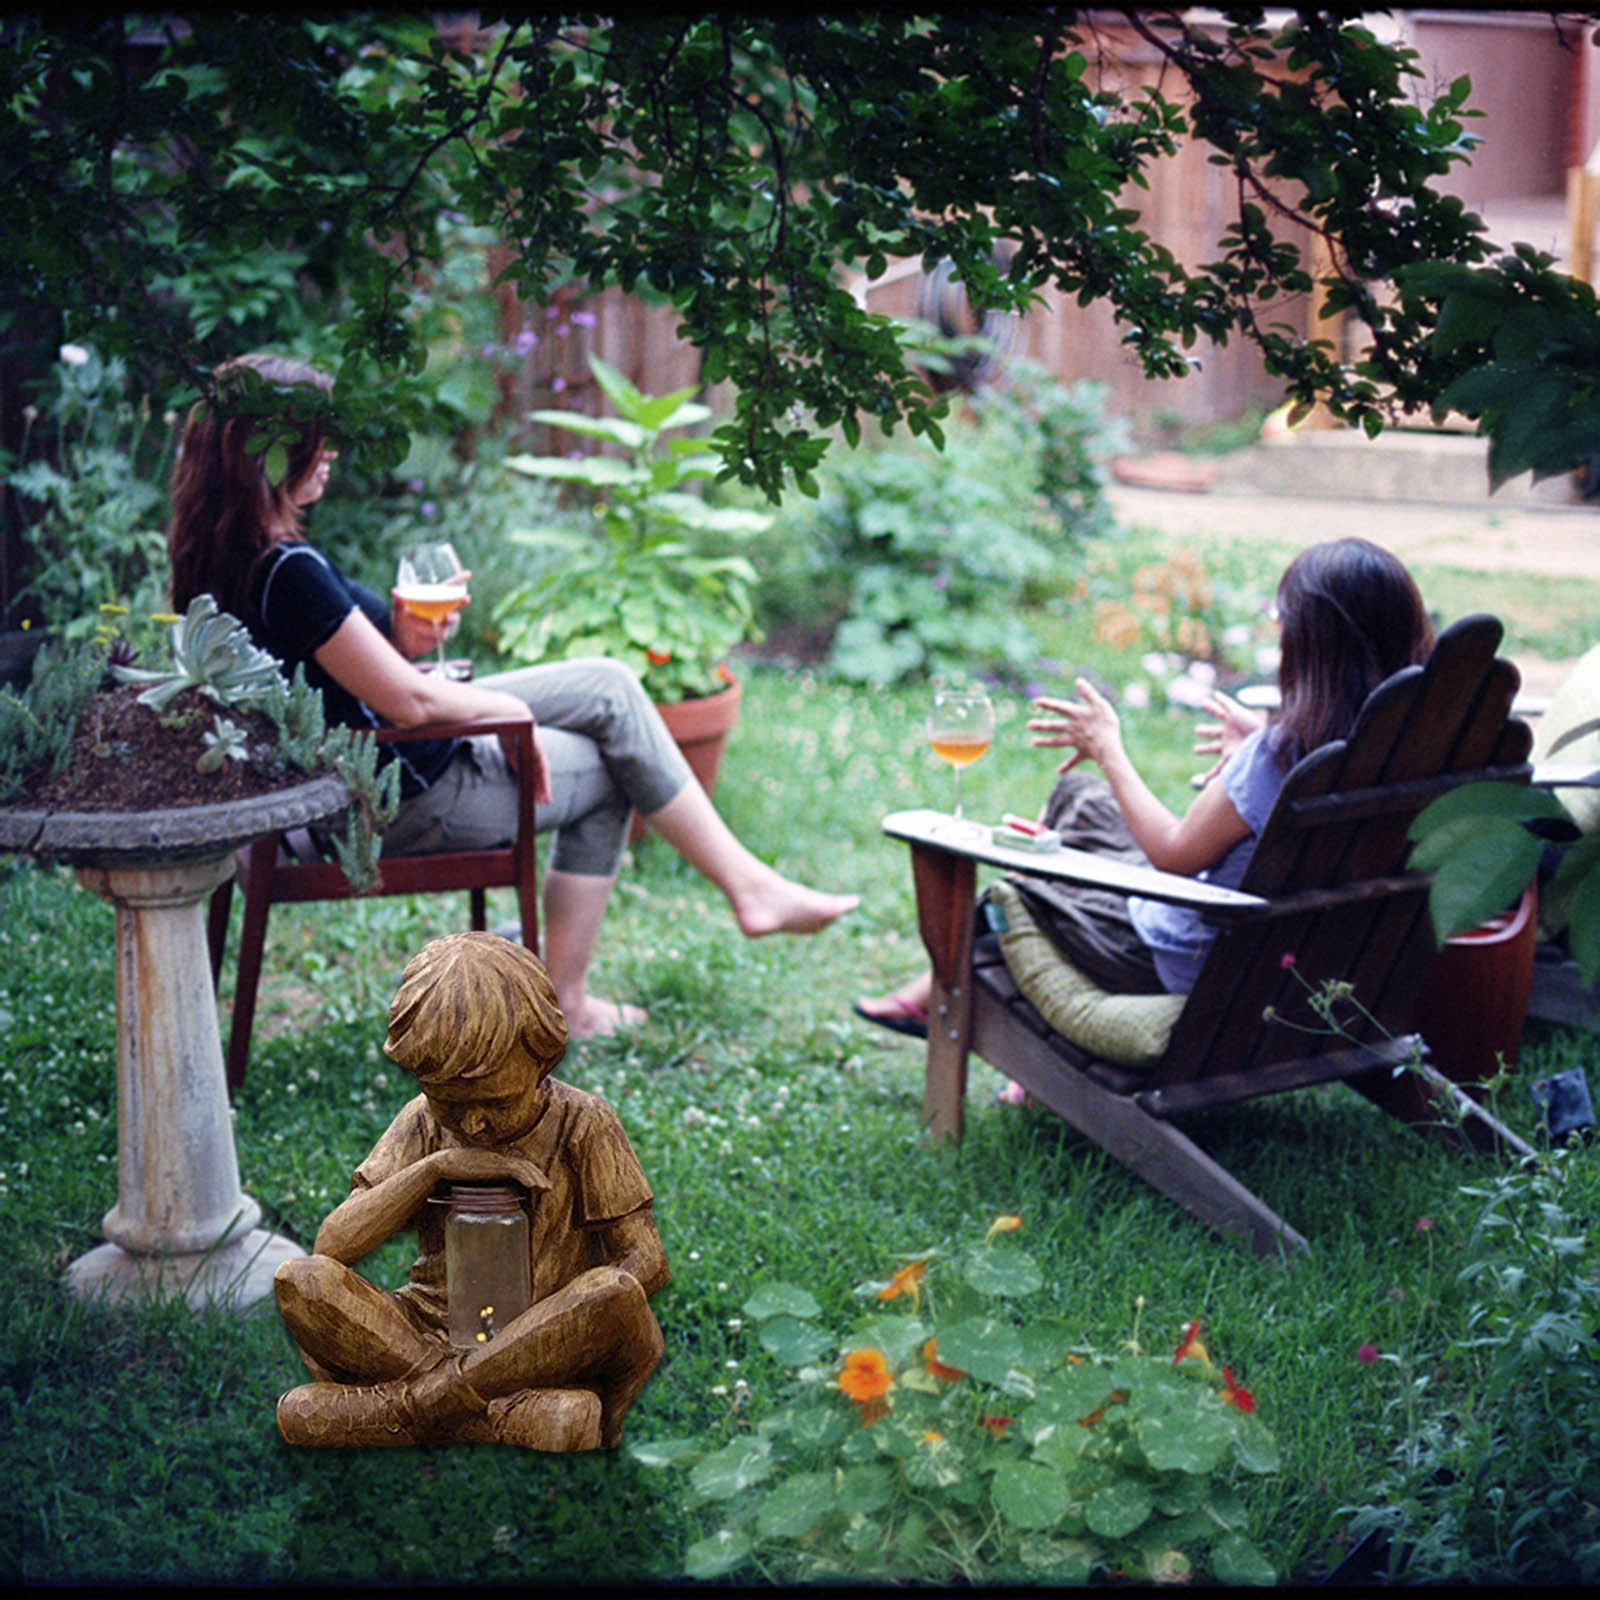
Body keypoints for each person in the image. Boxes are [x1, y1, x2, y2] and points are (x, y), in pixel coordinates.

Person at [168, 353, 857, 1036]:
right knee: (613, 774)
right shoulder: (289, 572)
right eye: (318, 439)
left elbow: (356, 673)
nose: (332, 452)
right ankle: (571, 1000)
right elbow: (410, 705)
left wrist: (404, 636)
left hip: (342, 777)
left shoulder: (229, 560)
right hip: (394, 798)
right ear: (269, 452)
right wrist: (507, 712)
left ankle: (748, 887)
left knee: (610, 685)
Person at [855, 538, 1435, 1039]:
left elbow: (1174, 856)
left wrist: (1109, 748)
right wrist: (1257, 744)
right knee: (1079, 800)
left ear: (1309, 642)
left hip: (1186, 957)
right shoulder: (1408, 747)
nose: (1277, 628)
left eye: (1283, 617)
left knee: (1017, 895)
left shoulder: (1276, 758)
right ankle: (946, 997)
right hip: (1300, 956)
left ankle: (941, 1004)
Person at [273, 932, 668, 1451]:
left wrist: (560, 1321)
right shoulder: (421, 1122)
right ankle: (488, 1412)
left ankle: (401, 1410)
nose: (474, 1124)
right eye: (450, 1104)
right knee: (302, 1279)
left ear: (544, 1061)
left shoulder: (583, 1122)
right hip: (423, 1336)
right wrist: (435, 1169)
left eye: (498, 1103)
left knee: (610, 1291)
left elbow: (646, 1260)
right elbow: (333, 1245)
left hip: (537, 1342)